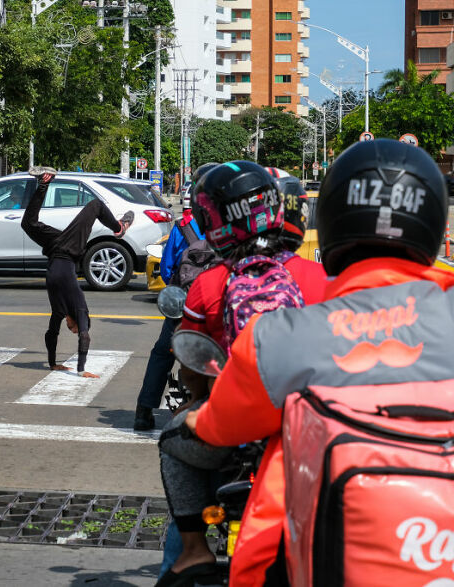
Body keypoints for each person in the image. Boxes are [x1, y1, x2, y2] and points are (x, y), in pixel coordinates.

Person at [184, 139, 453, 584]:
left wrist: (197, 419)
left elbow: (220, 427)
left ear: (327, 221)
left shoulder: (275, 338)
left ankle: (187, 554)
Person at [155, 161, 327, 586]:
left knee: (173, 443)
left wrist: (199, 399)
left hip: (235, 432)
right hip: (312, 431)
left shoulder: (210, 283)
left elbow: (191, 363)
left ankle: (193, 551)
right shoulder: (319, 278)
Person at [21, 166, 133, 378]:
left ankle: (44, 182)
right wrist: (81, 370)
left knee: (28, 224)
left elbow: (51, 333)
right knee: (95, 205)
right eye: (72, 329)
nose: (70, 329)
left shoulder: (60, 310)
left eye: (71, 329)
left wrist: (53, 364)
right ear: (80, 321)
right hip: (71, 247)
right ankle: (119, 228)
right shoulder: (80, 308)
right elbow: (85, 336)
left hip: (55, 246)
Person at [134, 162, 219, 431]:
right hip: (217, 305)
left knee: (162, 352)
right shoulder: (228, 228)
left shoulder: (183, 226)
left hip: (184, 305)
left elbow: (168, 267)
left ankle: (144, 411)